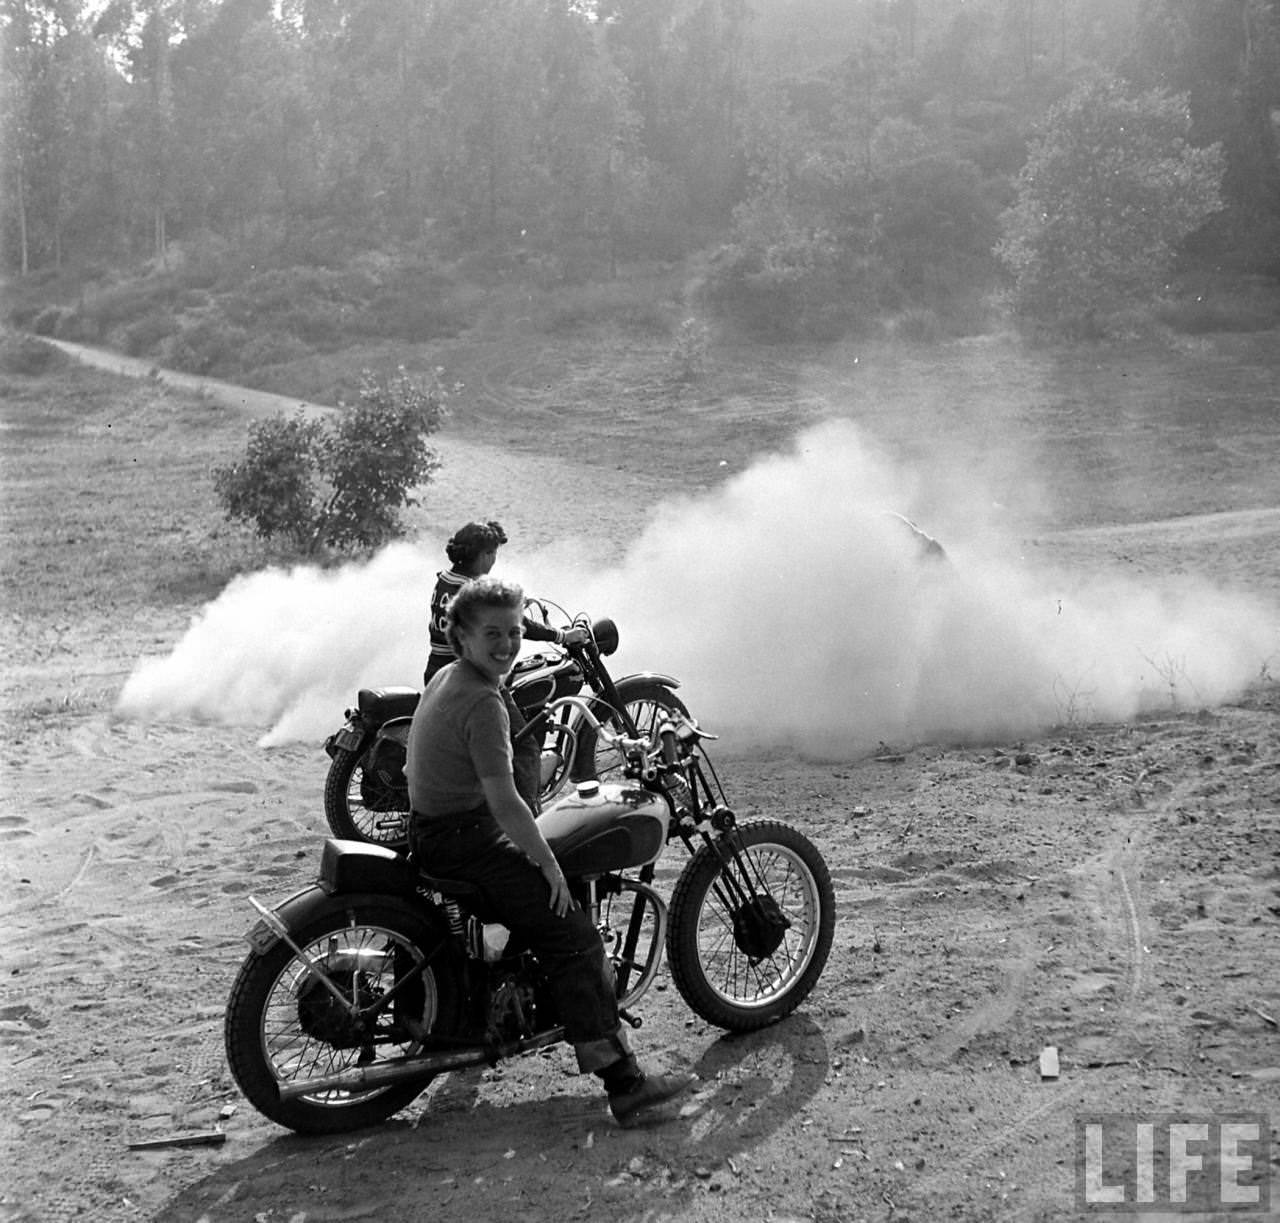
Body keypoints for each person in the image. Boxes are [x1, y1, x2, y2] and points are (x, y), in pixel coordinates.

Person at [405, 576, 694, 1127]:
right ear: (461, 636)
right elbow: (508, 803)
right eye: (492, 633)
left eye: (514, 632)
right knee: (574, 935)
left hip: (433, 831)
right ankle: (625, 1085)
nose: (507, 644)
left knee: (540, 899)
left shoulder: (448, 677)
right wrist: (547, 864)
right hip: (465, 840)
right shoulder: (482, 701)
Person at [424, 520, 585, 686]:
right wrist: (563, 636)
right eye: (493, 553)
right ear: (483, 555)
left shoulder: (445, 579)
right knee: (510, 708)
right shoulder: (471, 590)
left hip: (435, 673)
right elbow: (522, 625)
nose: (494, 560)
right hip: (462, 677)